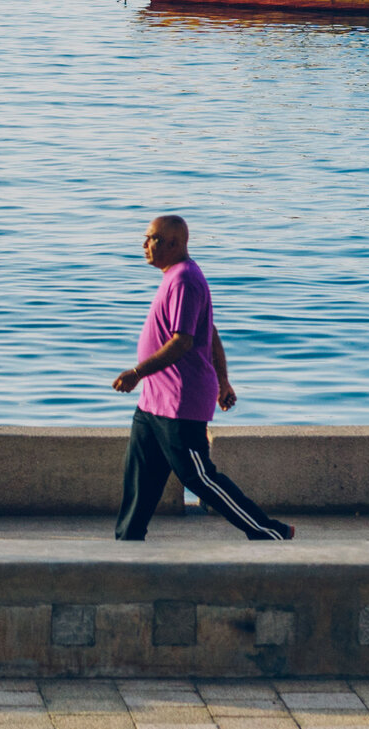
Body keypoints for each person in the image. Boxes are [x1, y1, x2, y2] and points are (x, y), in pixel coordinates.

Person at [113, 215, 291, 542]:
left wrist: (137, 372)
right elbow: (208, 330)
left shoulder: (184, 279)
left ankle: (268, 531)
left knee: (199, 478)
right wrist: (223, 381)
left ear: (174, 244)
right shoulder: (174, 277)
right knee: (140, 476)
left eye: (151, 238)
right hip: (154, 400)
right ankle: (128, 540)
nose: (144, 245)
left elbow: (183, 340)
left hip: (179, 401)